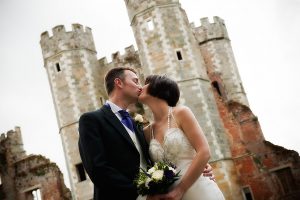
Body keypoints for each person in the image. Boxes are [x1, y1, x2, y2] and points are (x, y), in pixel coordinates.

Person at [78, 67, 214, 200]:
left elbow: (153, 161)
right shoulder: (91, 120)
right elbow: (97, 169)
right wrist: (144, 195)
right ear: (119, 83)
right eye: (136, 81)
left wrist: (199, 165)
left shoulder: (139, 126)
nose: (140, 86)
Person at [138, 75, 225, 200]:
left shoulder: (181, 113)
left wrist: (180, 190)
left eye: (145, 83)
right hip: (168, 196)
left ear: (158, 87)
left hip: (199, 189)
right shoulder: (146, 132)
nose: (140, 87)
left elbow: (204, 152)